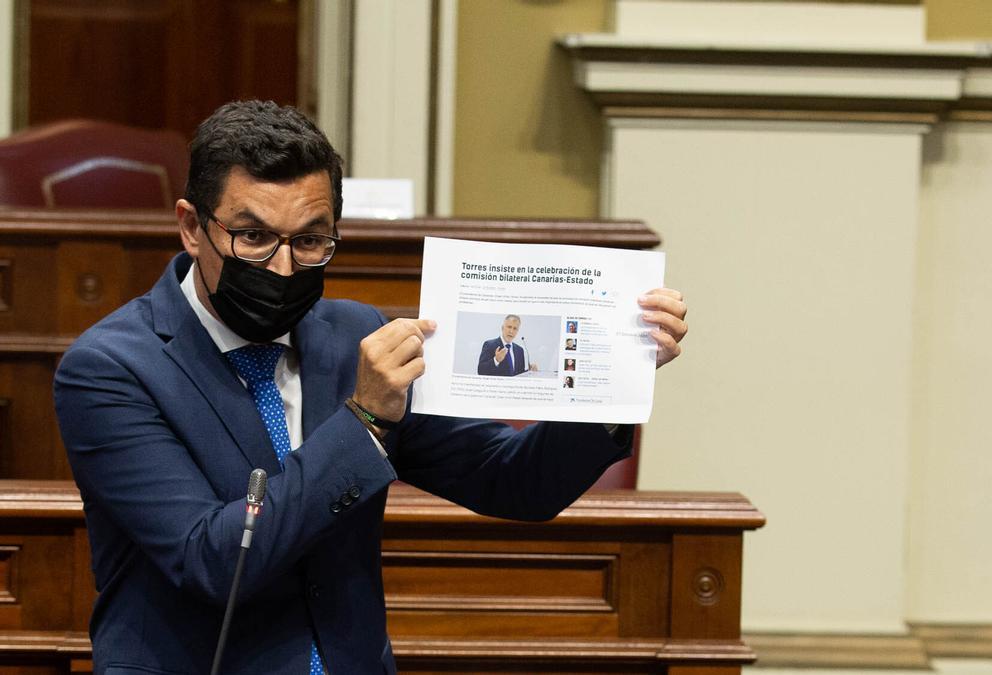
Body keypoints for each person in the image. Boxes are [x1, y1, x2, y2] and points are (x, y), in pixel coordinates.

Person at [52, 101, 689, 675]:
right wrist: (362, 420)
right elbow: (214, 561)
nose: (283, 267)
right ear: (192, 228)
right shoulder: (111, 369)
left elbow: (514, 482)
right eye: (253, 238)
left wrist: (615, 382)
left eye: (309, 241)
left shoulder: (352, 334)